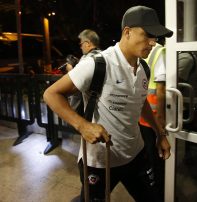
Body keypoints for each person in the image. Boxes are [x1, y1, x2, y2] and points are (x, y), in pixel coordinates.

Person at [43, 5, 173, 202]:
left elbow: (141, 103)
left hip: (136, 155)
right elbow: (51, 94)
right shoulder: (97, 63)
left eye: (155, 37)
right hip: (100, 161)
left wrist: (160, 133)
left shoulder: (143, 67)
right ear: (127, 32)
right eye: (148, 35)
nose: (153, 42)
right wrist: (83, 125)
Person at [139, 38, 166, 202]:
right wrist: (161, 117)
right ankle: (159, 192)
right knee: (157, 156)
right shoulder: (159, 52)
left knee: (149, 154)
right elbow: (161, 89)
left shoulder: (144, 52)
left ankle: (153, 187)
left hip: (143, 115)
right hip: (153, 115)